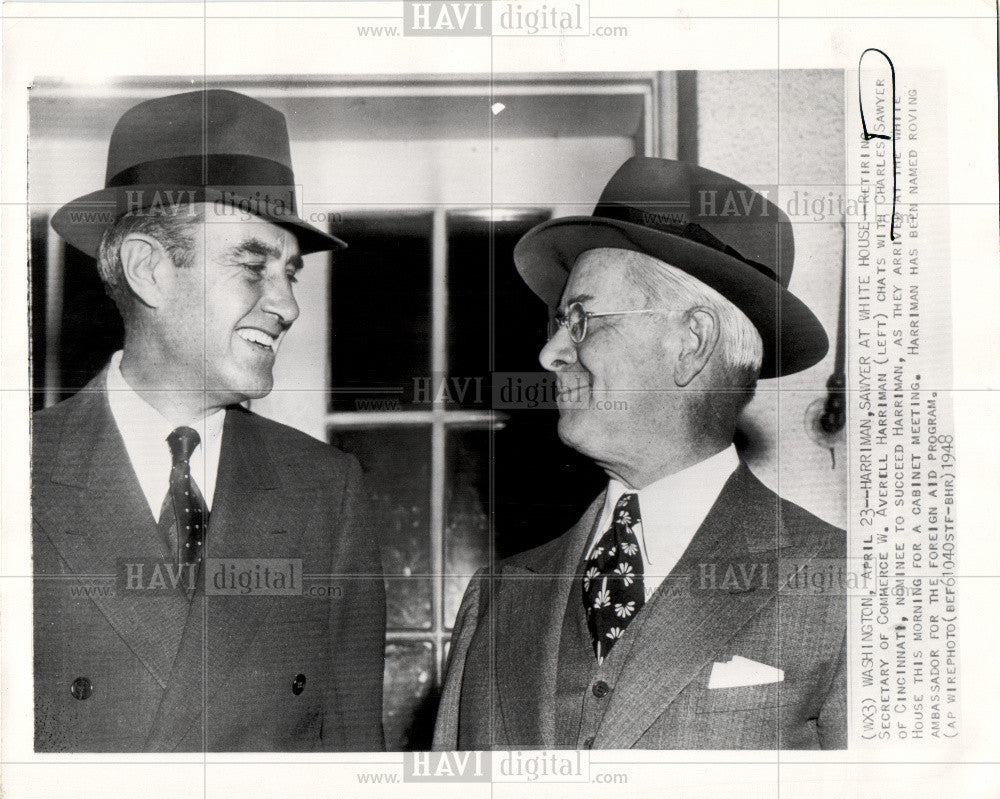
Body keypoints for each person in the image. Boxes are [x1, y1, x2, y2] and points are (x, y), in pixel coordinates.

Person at [434, 157, 846, 750]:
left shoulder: (844, 587)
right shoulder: (494, 601)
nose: (551, 352)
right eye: (558, 321)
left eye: (582, 320)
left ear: (691, 342)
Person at [32, 89, 385, 752]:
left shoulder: (326, 492)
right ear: (149, 270)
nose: (286, 305)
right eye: (254, 265)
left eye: (291, 273)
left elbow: (352, 762)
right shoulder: (18, 474)